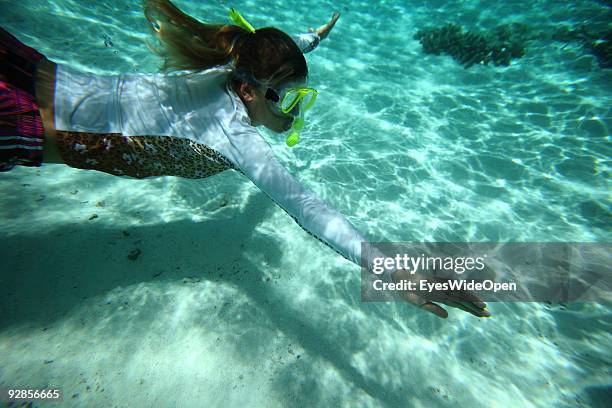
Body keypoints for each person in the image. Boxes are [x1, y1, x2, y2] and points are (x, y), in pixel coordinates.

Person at [0, 0, 489, 319]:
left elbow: (274, 49)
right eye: (289, 101)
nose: (292, 115)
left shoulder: (236, 61)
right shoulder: (233, 132)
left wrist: (316, 36)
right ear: (251, 93)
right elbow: (305, 205)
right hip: (31, 125)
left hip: (47, 74)